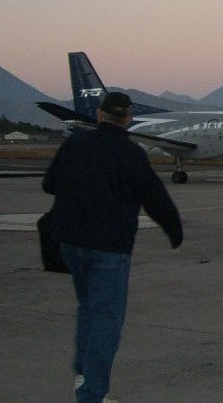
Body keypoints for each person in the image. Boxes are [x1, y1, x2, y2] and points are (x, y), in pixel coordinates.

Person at [42, 92, 183, 403]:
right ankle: (91, 394)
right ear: (128, 119)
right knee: (107, 319)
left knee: (88, 308)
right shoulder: (130, 153)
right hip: (108, 248)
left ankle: (83, 374)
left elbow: (49, 184)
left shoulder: (74, 144)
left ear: (100, 115)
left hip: (69, 243)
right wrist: (175, 233)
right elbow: (156, 199)